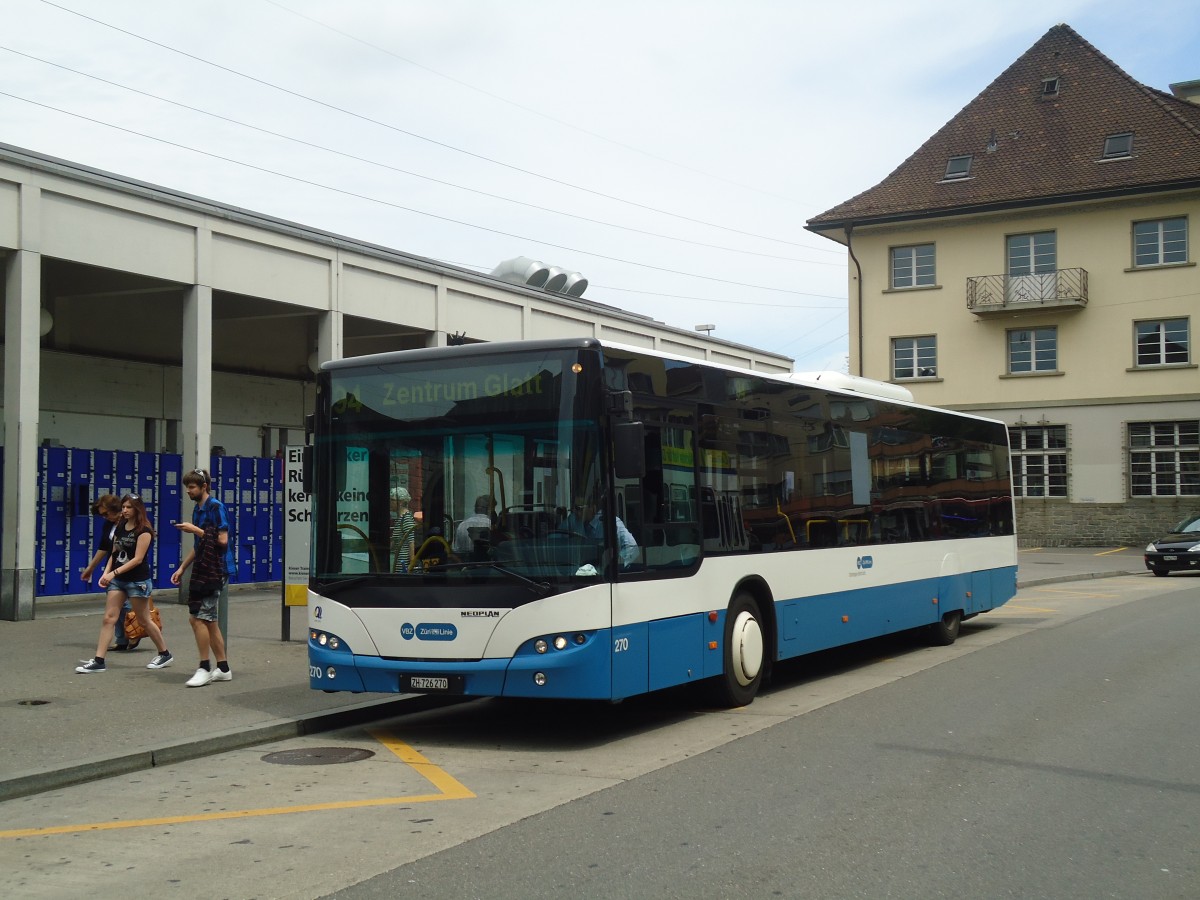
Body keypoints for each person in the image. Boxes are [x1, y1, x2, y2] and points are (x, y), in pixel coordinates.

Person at [75, 494, 173, 674]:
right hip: (118, 581)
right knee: (109, 618)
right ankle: (99, 660)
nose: (125, 510)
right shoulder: (120, 526)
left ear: (137, 509)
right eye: (124, 507)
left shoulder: (144, 531)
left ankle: (164, 653)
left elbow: (137, 559)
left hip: (137, 581)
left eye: (129, 507)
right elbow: (114, 552)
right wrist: (106, 574)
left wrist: (113, 573)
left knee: (144, 620)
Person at [171, 468, 235, 687]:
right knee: (210, 621)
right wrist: (182, 568)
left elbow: (223, 541)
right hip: (202, 568)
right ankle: (224, 668)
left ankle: (204, 667)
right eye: (187, 487)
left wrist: (195, 530)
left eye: (192, 487)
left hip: (216, 569)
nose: (189, 491)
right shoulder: (197, 509)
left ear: (204, 486)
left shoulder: (216, 507)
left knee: (197, 618)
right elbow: (200, 546)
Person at [79, 494, 136, 651]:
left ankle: (134, 634)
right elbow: (103, 548)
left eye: (106, 513)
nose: (104, 517)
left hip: (128, 568)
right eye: (102, 515)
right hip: (111, 570)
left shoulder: (130, 522)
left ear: (115, 509)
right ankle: (122, 639)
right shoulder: (108, 525)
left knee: (128, 605)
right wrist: (91, 568)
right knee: (114, 606)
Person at [565, 497, 639, 566]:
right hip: (577, 571)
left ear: (593, 508)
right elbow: (556, 535)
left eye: (579, 508)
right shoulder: (574, 520)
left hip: (602, 574)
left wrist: (615, 564)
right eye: (574, 509)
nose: (576, 513)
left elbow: (632, 547)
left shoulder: (611, 522)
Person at [389, 486, 417, 572]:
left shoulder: (406, 518)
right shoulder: (400, 519)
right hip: (398, 565)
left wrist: (410, 567)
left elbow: (411, 544)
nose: (390, 503)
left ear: (400, 502)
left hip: (403, 567)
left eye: (392, 500)